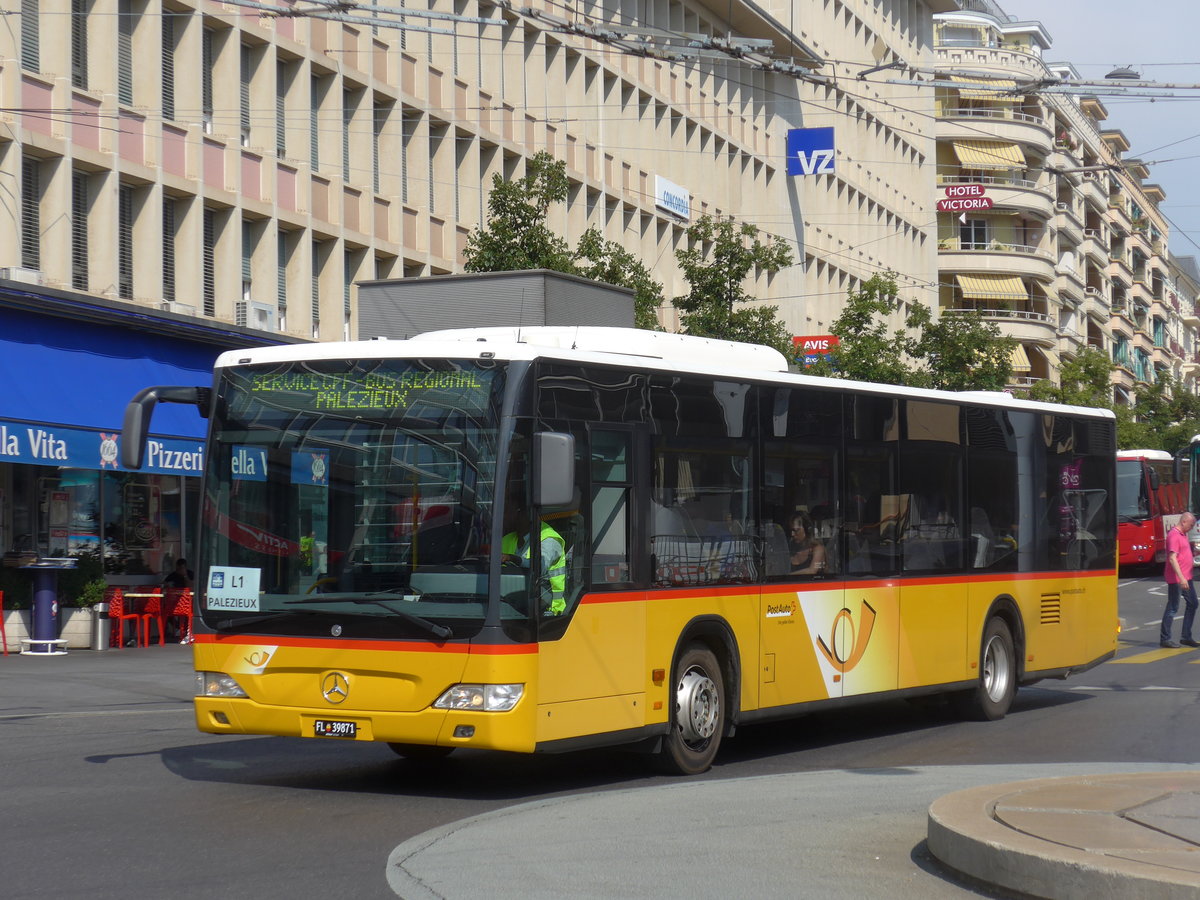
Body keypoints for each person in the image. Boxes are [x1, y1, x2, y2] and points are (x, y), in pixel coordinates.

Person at [501, 503, 568, 616]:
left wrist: (512, 558)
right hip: (510, 605)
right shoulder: (507, 539)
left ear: (524, 514)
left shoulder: (549, 539)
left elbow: (539, 568)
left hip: (547, 611)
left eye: (507, 511)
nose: (503, 516)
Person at [1161, 512, 1199, 649]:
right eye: (1191, 525)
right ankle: (1165, 638)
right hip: (1177, 578)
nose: (1192, 527)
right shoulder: (1174, 535)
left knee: (1193, 603)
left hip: (1186, 577)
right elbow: (1172, 558)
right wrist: (1181, 578)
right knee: (1173, 607)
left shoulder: (1183, 534)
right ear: (1184, 522)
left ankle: (1186, 637)